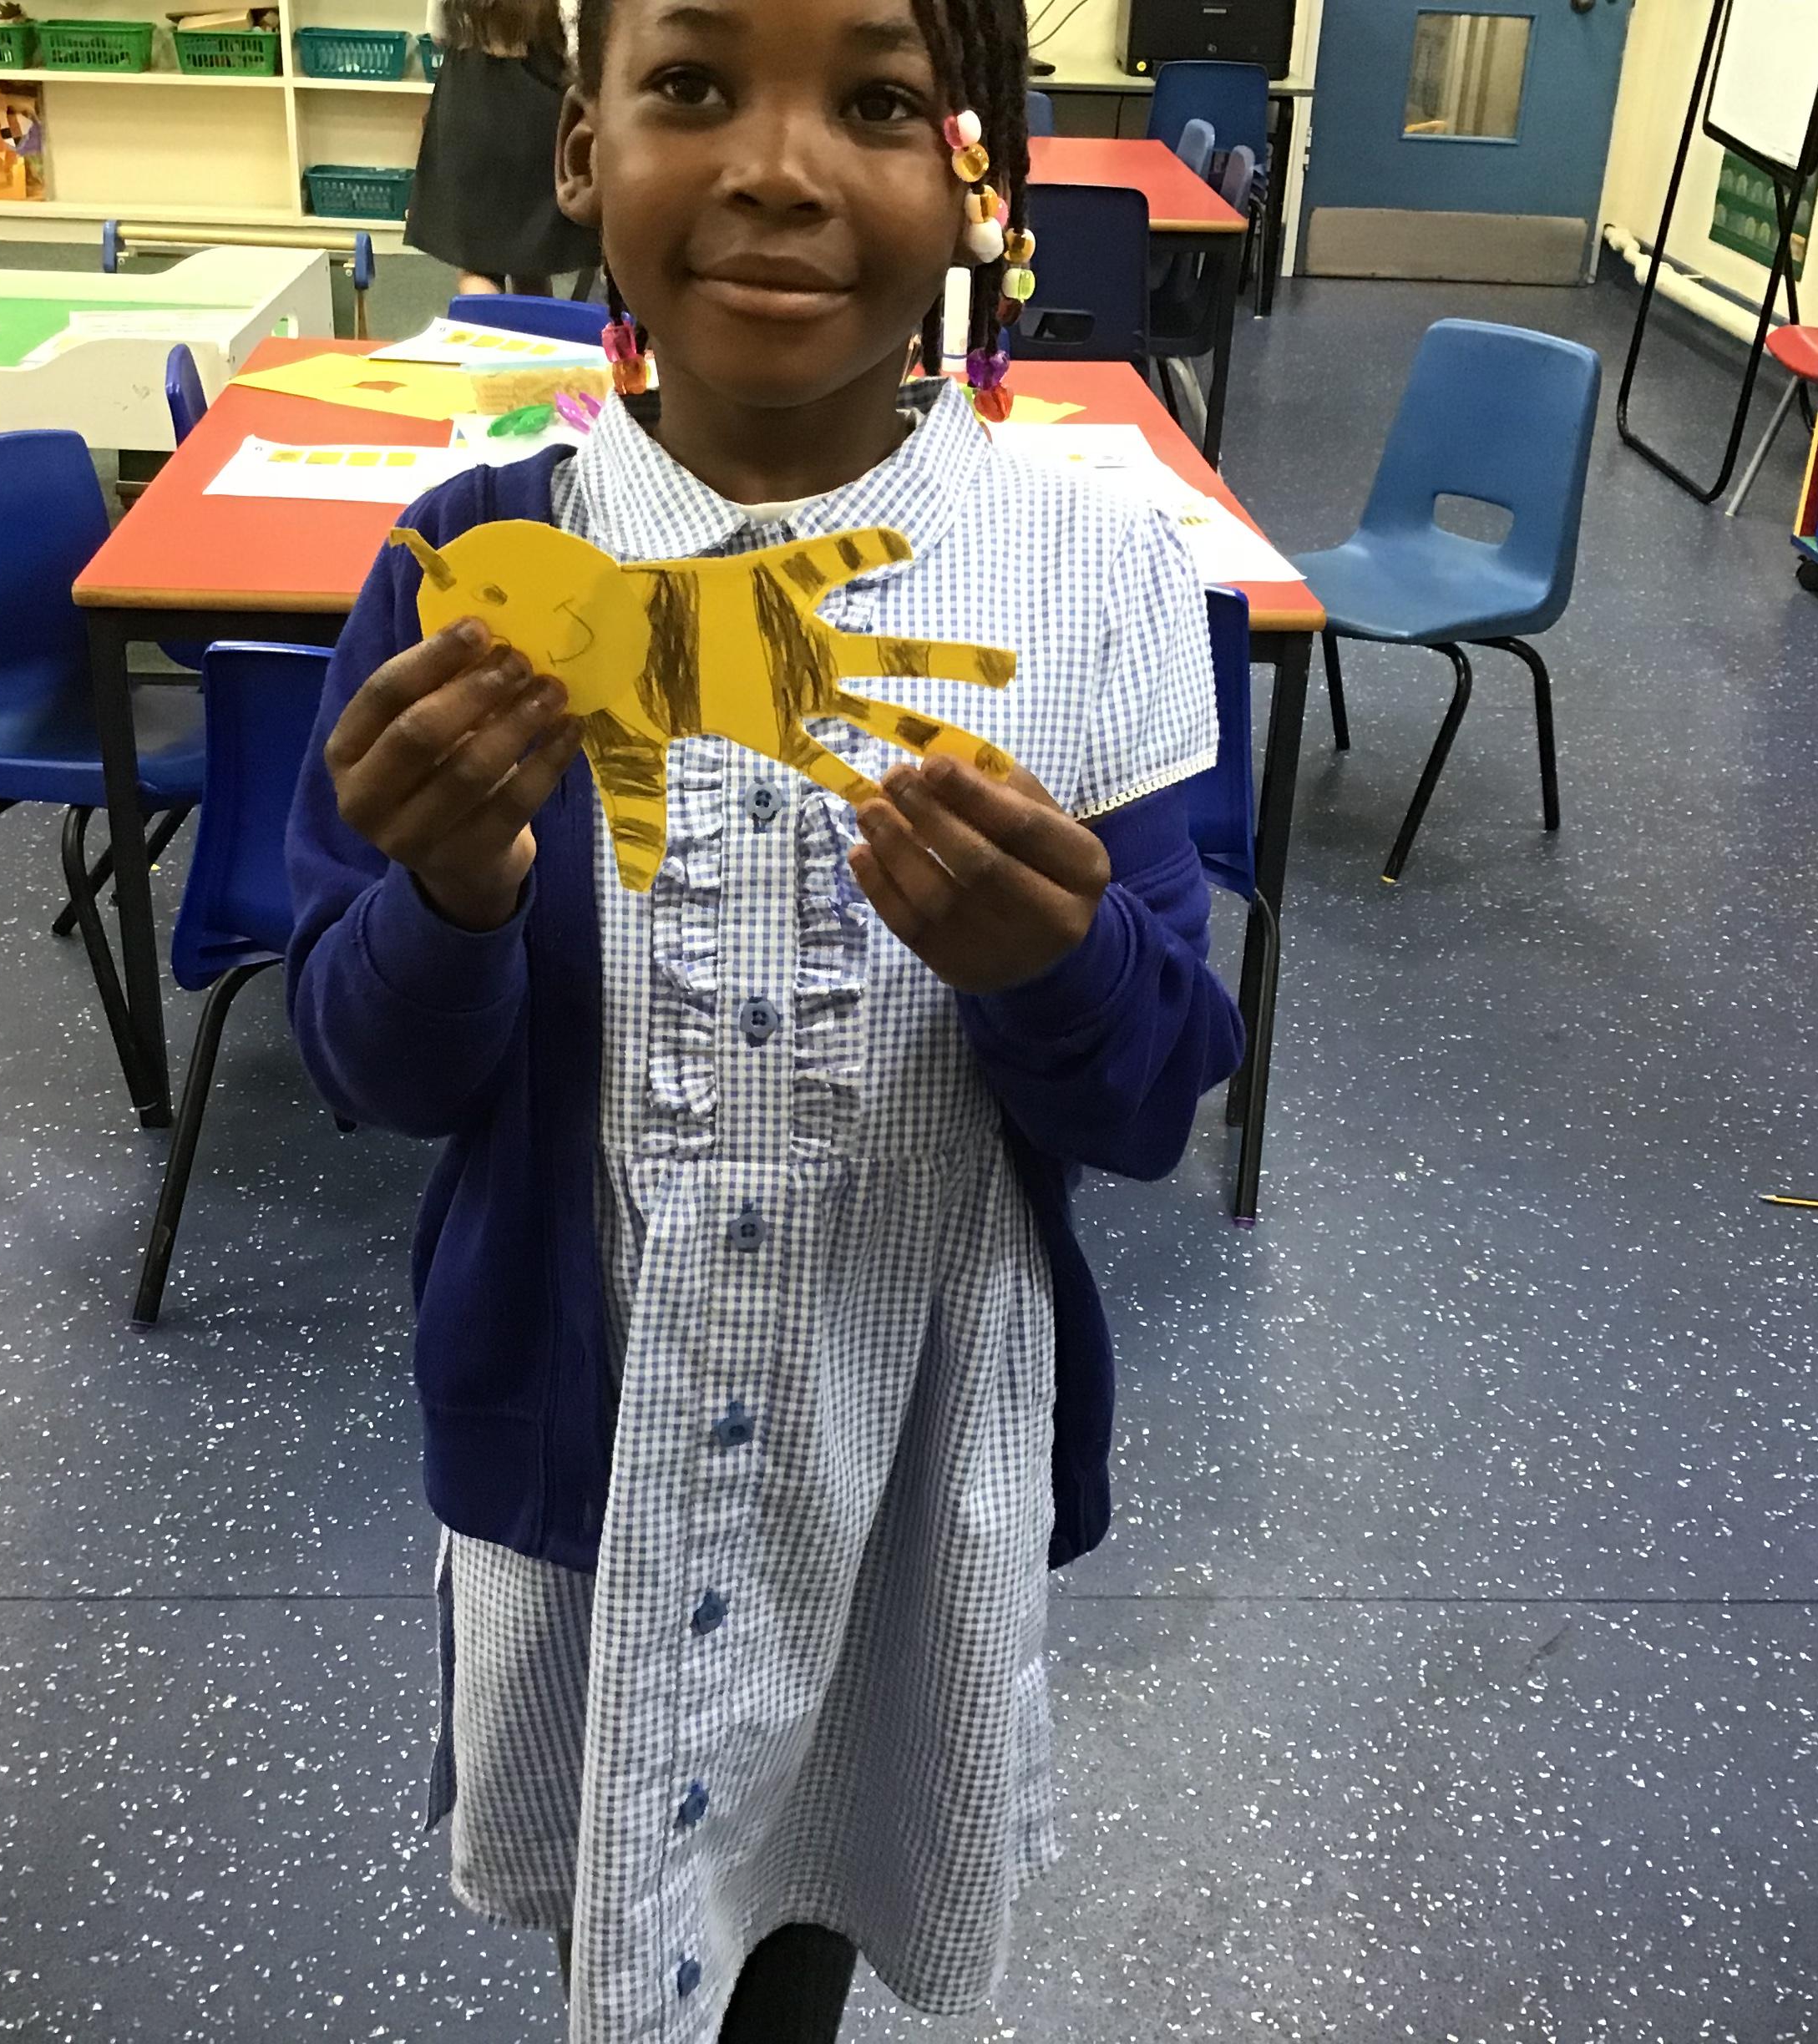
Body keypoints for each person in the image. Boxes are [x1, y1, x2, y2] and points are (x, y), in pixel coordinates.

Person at [283, 0, 1244, 2035]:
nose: (779, 170)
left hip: (909, 1452)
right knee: (615, 1913)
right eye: (693, 87)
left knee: (812, 1906)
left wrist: (1053, 965)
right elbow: (369, 1067)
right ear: (581, 148)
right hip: (587, 1448)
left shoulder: (1094, 576)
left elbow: (1156, 1096)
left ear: (975, 180)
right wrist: (454, 894)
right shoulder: (475, 569)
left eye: (878, 101)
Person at [407, 0, 601, 296]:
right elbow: (579, 51)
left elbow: (438, 32)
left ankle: (483, 325)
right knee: (532, 261)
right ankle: (533, 324)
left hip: (468, 101)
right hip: (539, 116)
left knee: (477, 264)